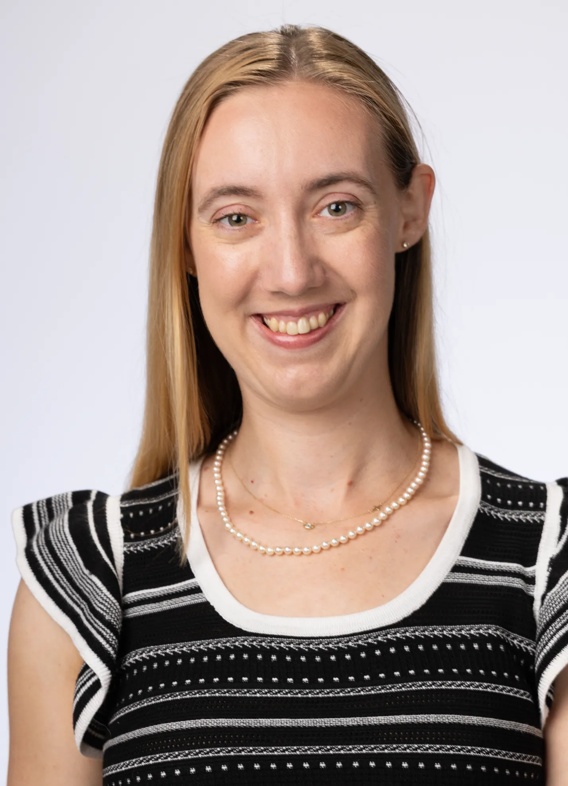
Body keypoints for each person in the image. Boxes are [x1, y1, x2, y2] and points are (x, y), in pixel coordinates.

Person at [7, 24, 568, 786]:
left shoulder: (548, 564)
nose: (291, 272)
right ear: (184, 245)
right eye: (236, 217)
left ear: (410, 210)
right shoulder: (88, 583)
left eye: (335, 207)